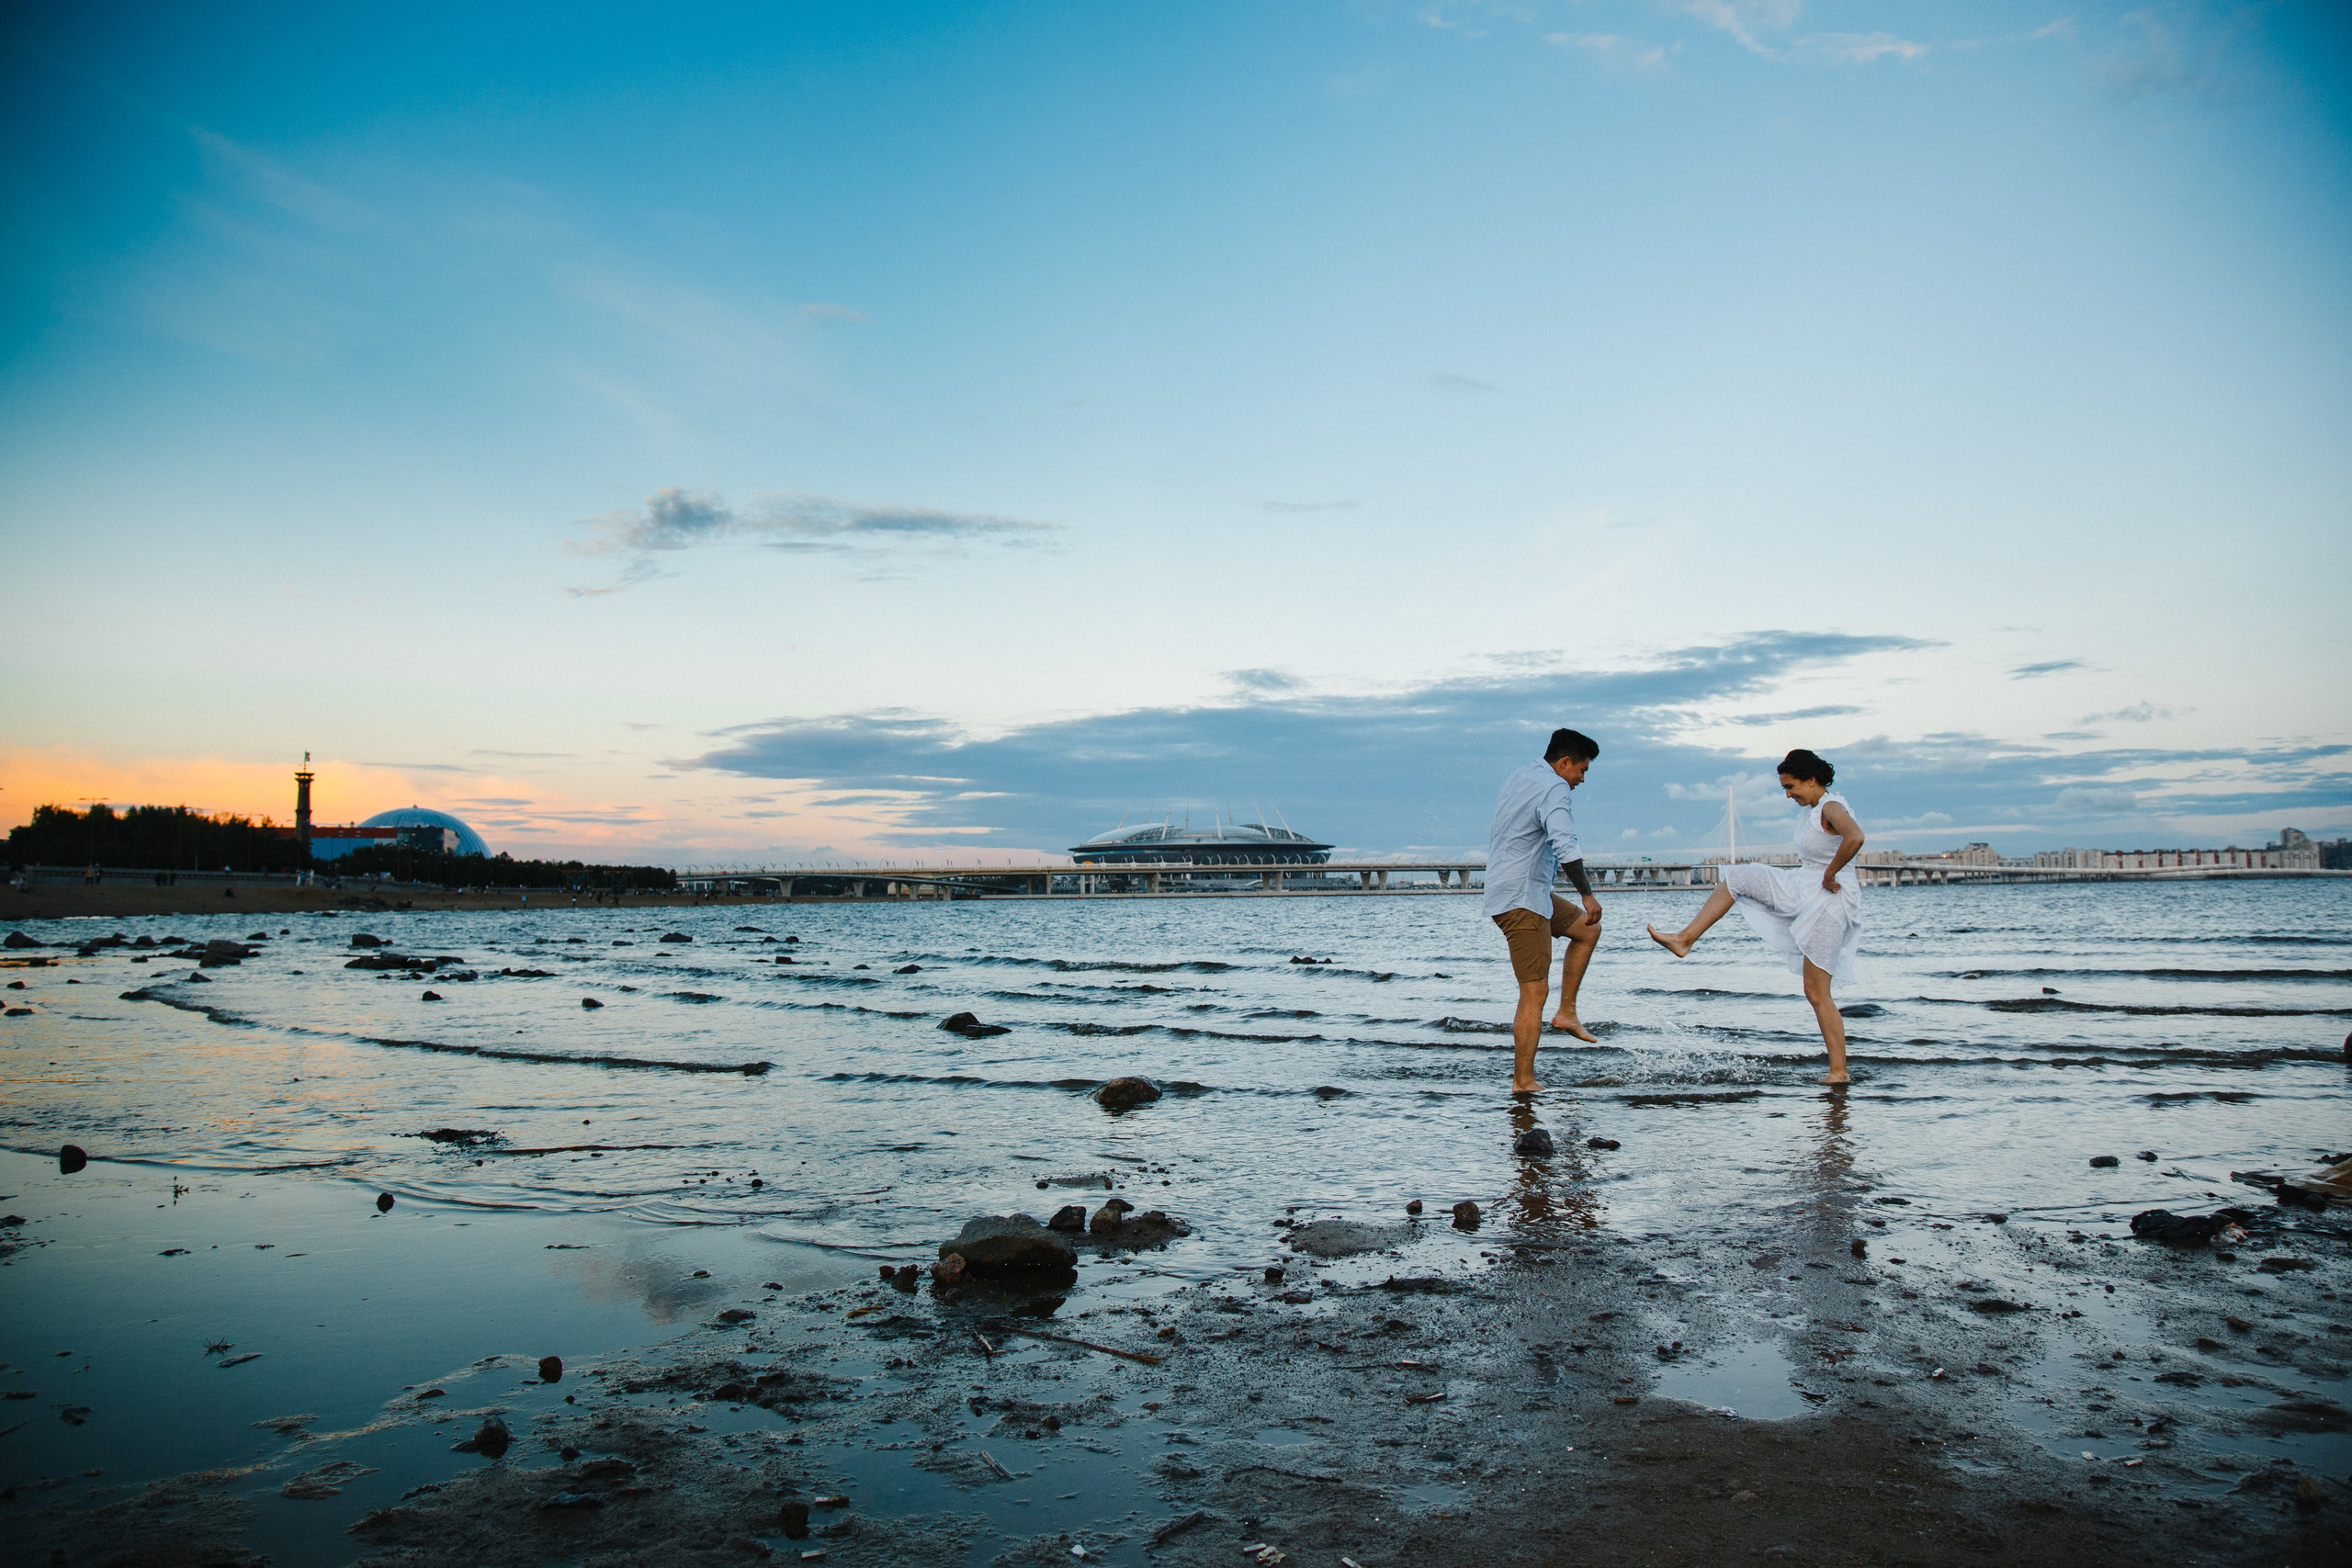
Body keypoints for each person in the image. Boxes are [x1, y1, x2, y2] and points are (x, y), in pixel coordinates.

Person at [1647, 749, 1864, 1084]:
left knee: (1816, 991)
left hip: (1829, 900)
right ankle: (1685, 939)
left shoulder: (1831, 806)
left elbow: (1856, 837)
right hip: (1804, 887)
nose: (1788, 794)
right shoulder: (1811, 810)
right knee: (1738, 877)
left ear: (1811, 780)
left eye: (1791, 786)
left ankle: (1839, 1072)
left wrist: (1831, 872)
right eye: (1785, 788)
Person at [1484, 728, 1604, 1093]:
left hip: (1521, 890)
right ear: (1565, 762)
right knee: (1534, 992)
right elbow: (1565, 843)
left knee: (1587, 929)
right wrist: (1587, 895)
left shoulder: (1521, 775)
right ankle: (1524, 1082)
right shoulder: (1554, 787)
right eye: (1582, 770)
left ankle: (1567, 1012)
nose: (1582, 779)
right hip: (1522, 899)